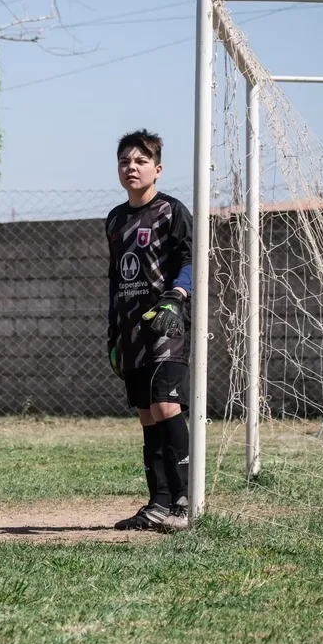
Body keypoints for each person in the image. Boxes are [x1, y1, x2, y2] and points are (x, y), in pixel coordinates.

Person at [106, 130, 193, 533]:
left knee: (166, 407)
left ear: (157, 169)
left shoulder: (172, 211)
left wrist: (178, 295)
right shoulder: (115, 219)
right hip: (131, 334)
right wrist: (113, 332)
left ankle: (183, 502)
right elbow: (115, 279)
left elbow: (191, 260)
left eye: (141, 161)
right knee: (146, 414)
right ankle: (157, 503)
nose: (132, 167)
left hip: (165, 325)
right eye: (125, 161)